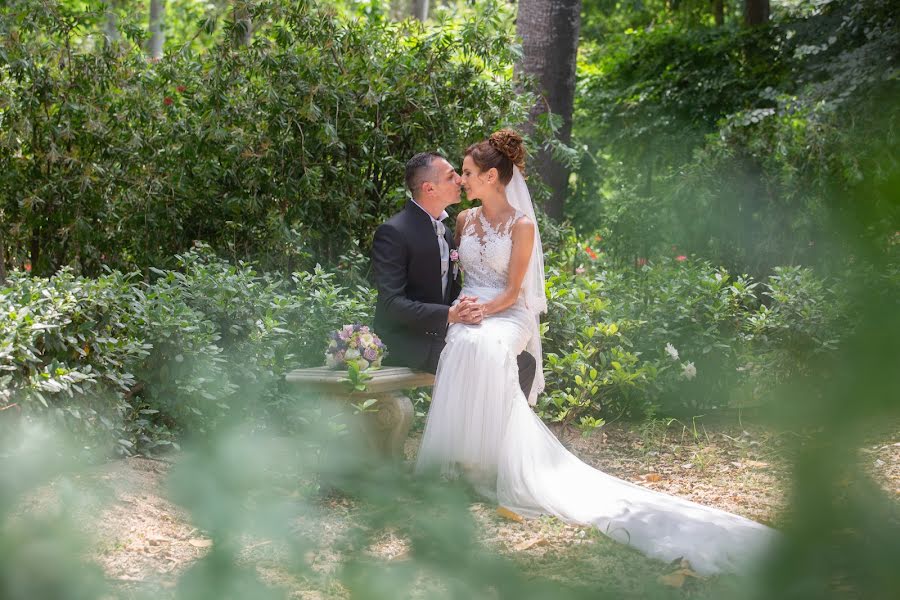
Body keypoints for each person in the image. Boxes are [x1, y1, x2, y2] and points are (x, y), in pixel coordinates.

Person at [414, 129, 779, 576]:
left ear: (491, 176)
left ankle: (495, 465)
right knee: (466, 341)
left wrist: (482, 311)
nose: (462, 180)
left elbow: (514, 291)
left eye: (467, 173)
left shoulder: (522, 225)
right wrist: (461, 310)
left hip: (507, 313)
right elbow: (459, 280)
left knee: (488, 345)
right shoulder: (465, 222)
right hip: (471, 311)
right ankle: (462, 461)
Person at [372, 152, 536, 397]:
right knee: (491, 360)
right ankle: (481, 433)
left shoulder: (446, 230)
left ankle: (493, 433)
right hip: (409, 340)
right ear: (429, 188)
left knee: (522, 363)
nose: (460, 180)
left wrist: (470, 307)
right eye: (452, 176)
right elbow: (391, 304)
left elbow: (451, 287)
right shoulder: (394, 232)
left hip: (440, 331)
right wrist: (449, 314)